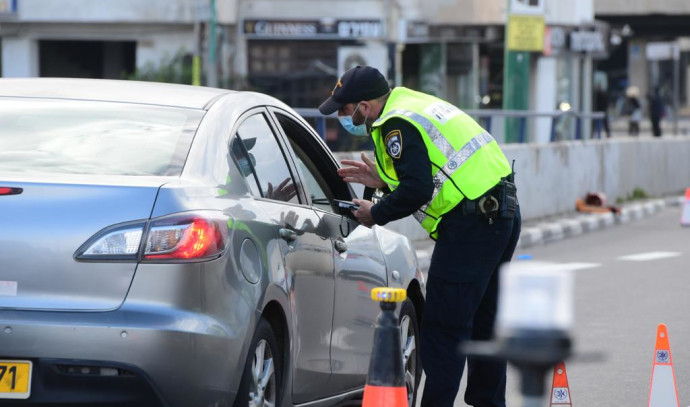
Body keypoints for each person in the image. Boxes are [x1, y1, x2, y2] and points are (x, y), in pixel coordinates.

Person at [319, 65, 521, 407]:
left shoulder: (394, 124)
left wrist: (375, 212)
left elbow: (417, 188)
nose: (342, 116)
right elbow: (434, 170)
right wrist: (383, 182)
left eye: (344, 109)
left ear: (364, 107)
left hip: (470, 226)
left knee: (443, 330)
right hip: (501, 213)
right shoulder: (410, 104)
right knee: (484, 325)